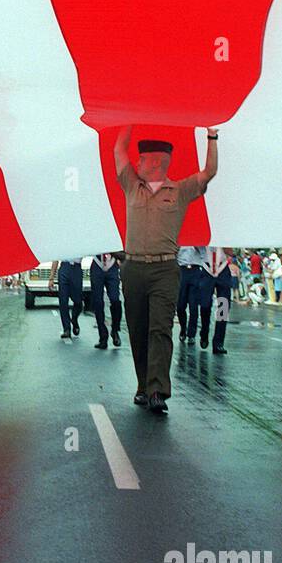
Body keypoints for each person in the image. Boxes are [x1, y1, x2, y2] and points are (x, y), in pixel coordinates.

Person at [113, 127, 219, 414]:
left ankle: (158, 390)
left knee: (160, 328)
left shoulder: (180, 190)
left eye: (142, 159)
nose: (137, 163)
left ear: (156, 162)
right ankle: (142, 386)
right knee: (138, 328)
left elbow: (209, 171)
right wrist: (127, 121)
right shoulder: (131, 185)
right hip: (133, 268)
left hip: (164, 269)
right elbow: (118, 152)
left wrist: (212, 137)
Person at [199, 246, 234, 354]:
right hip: (207, 268)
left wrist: (226, 245)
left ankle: (218, 342)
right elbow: (195, 246)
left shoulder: (226, 232)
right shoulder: (202, 230)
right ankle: (204, 331)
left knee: (223, 306)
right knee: (205, 305)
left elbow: (230, 251)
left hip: (222, 268)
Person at [89, 252, 122, 349]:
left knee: (115, 299)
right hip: (97, 264)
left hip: (112, 265)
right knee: (98, 302)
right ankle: (103, 337)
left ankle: (115, 330)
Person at [176, 245, 206, 344]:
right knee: (180, 305)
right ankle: (183, 328)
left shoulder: (198, 239)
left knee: (193, 305)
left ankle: (191, 334)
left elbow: (204, 254)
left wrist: (197, 246)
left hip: (195, 269)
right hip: (182, 270)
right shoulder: (180, 238)